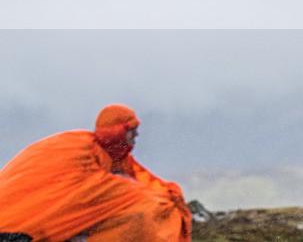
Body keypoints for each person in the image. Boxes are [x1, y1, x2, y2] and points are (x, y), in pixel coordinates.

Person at [0, 104, 191, 242]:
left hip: (59, 227)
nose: (137, 135)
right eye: (132, 130)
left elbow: (135, 183)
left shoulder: (115, 158)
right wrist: (154, 199)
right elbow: (91, 190)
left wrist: (166, 197)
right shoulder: (80, 150)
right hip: (23, 224)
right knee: (148, 210)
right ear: (118, 132)